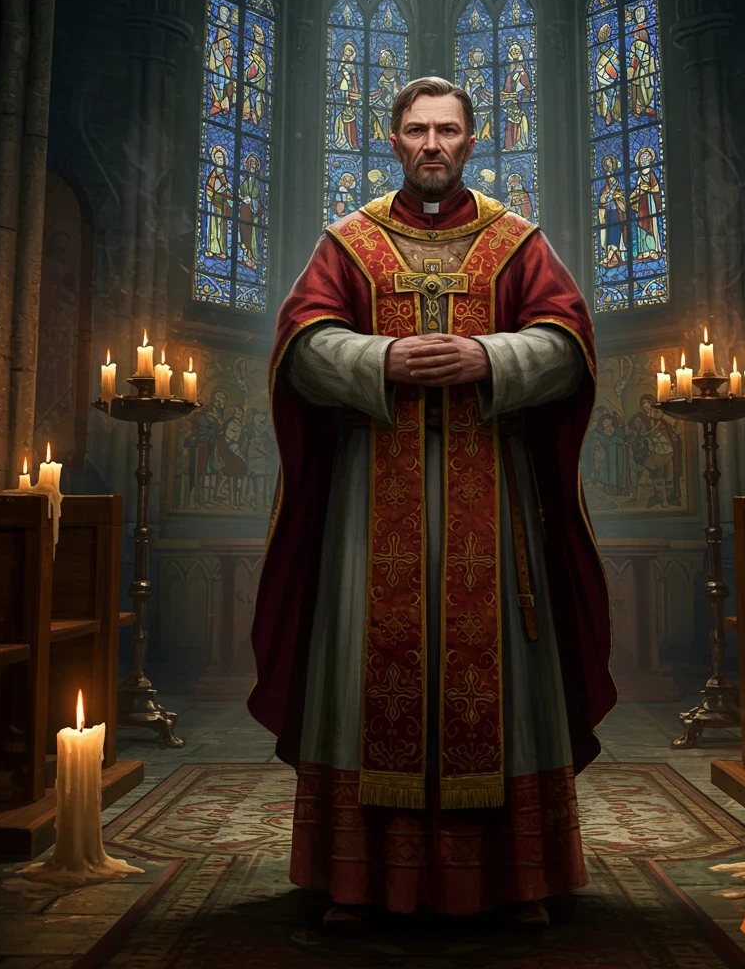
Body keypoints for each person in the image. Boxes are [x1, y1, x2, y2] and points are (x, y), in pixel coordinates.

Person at [249, 76, 614, 933]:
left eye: (448, 130)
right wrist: (381, 362)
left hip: (500, 504)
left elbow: (568, 343)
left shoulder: (519, 244)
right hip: (367, 519)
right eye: (416, 131)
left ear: (475, 142)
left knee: (506, 695)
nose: (432, 145)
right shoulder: (349, 243)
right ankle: (358, 881)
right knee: (363, 677)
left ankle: (517, 881)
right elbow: (301, 348)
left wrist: (490, 359)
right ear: (392, 142)